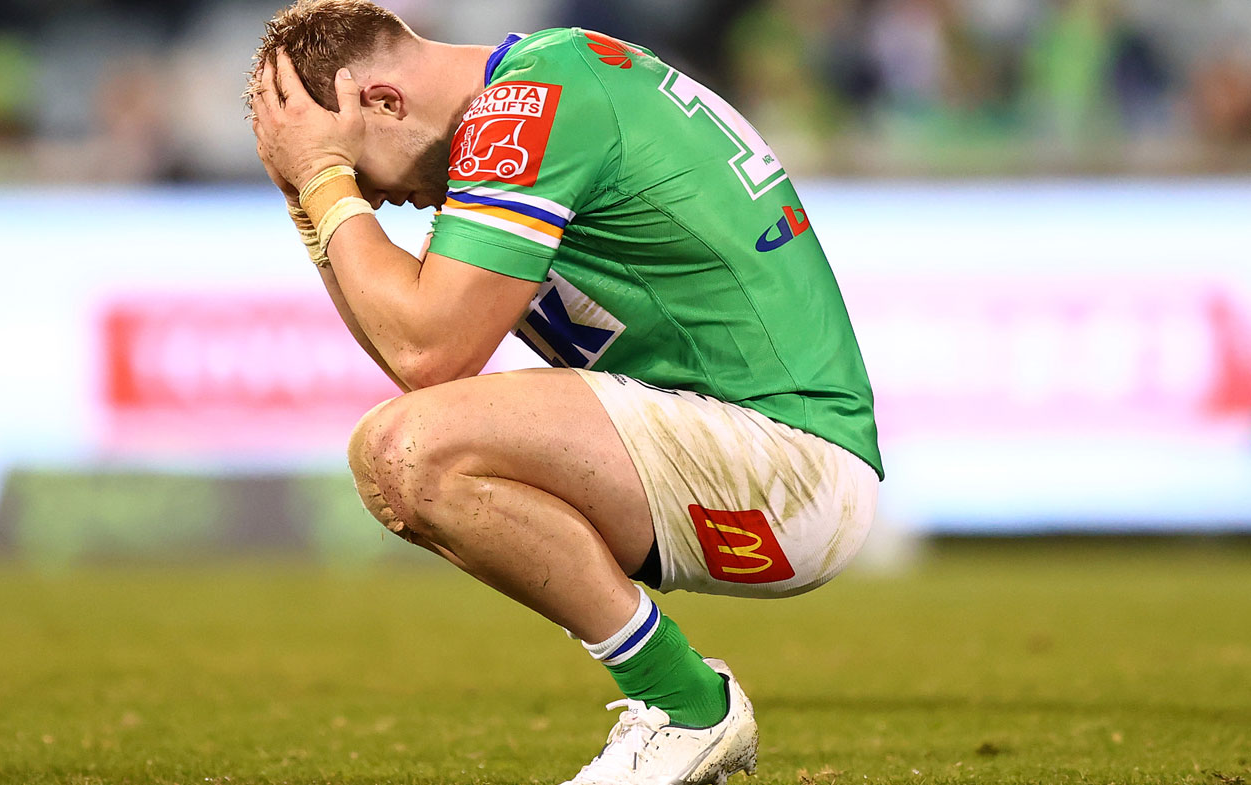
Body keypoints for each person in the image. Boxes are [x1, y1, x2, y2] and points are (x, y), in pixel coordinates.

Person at [247, 1, 882, 782]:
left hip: (787, 461)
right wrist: (311, 202)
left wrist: (322, 179)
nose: (372, 200)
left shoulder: (531, 97)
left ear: (382, 102)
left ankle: (688, 707)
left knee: (406, 449)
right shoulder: (536, 94)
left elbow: (430, 350)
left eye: (358, 170)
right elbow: (406, 348)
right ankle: (683, 708)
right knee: (404, 455)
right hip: (746, 458)